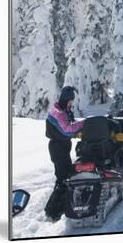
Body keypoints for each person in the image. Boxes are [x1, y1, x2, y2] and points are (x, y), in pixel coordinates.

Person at [44, 86, 84, 221]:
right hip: (58, 149)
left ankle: (60, 207)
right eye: (71, 101)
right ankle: (52, 211)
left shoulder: (62, 110)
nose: (72, 104)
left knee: (66, 177)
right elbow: (67, 130)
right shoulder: (58, 113)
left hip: (61, 147)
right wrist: (85, 123)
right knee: (62, 179)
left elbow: (70, 126)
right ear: (67, 99)